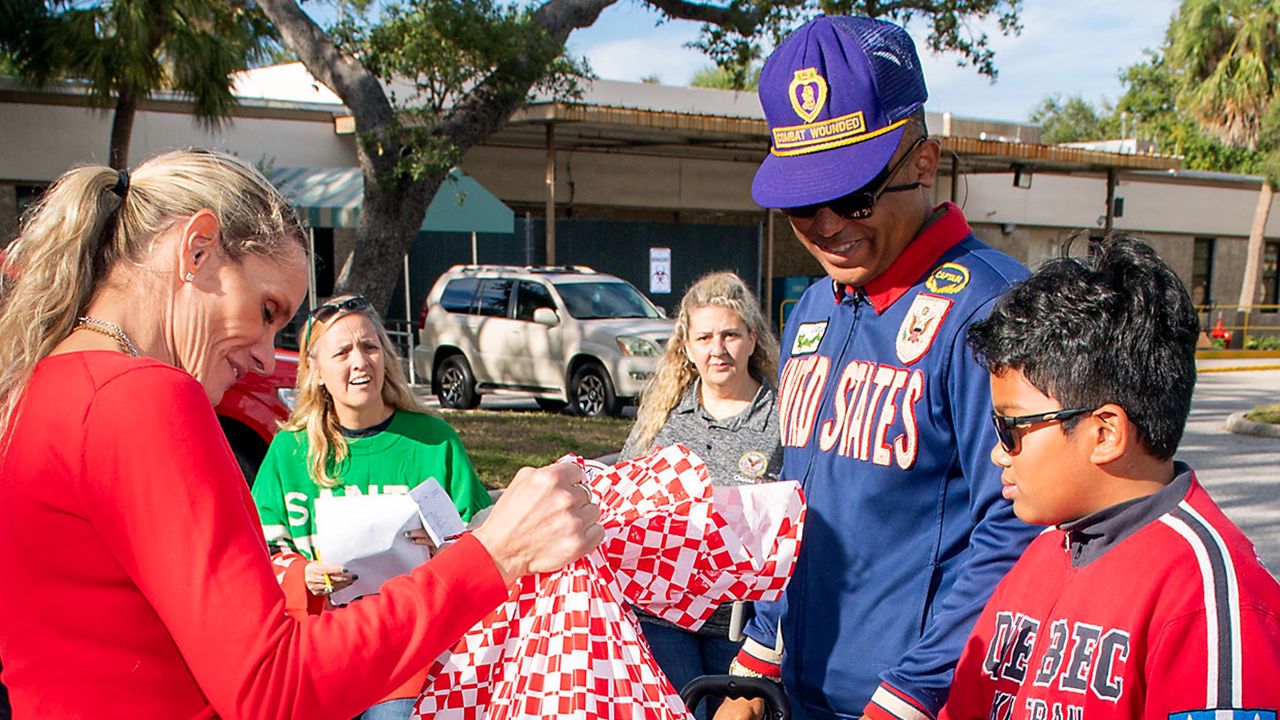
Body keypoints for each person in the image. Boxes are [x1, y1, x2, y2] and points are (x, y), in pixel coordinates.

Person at [0, 149, 602, 719]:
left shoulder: (41, 389)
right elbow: (274, 688)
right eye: (267, 311)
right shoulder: (140, 396)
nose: (266, 356)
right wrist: (496, 554)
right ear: (197, 249)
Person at [717, 16, 1040, 720]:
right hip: (793, 693)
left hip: (918, 702)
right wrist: (758, 654)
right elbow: (800, 502)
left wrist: (913, 692)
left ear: (923, 162)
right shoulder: (812, 309)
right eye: (802, 201)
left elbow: (1019, 523)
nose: (828, 224)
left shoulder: (992, 310)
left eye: (853, 195)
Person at [940, 235, 1280, 718]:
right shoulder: (1045, 551)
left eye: (1010, 428)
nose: (998, 453)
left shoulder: (1206, 594)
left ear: (1104, 433)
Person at [252, 293, 493, 719]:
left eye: (369, 346)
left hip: (412, 657)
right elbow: (257, 556)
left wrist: (445, 551)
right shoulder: (291, 451)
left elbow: (483, 546)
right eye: (342, 352)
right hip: (321, 654)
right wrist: (301, 574)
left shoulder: (434, 442)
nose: (360, 362)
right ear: (316, 372)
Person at [619, 271, 782, 715]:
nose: (718, 349)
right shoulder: (664, 418)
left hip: (742, 623)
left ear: (752, 338)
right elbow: (624, 492)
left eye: (730, 334)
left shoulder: (782, 417)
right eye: (704, 337)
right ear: (686, 347)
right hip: (662, 613)